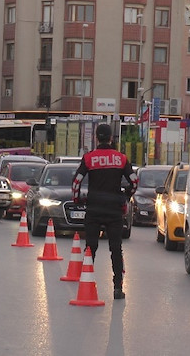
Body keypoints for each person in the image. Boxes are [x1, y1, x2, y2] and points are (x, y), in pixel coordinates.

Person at [72, 124, 138, 300]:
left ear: (96, 138)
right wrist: (125, 196)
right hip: (114, 210)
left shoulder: (89, 158)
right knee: (116, 249)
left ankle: (86, 281)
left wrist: (78, 200)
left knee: (90, 248)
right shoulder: (121, 159)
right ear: (111, 138)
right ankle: (117, 287)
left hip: (93, 208)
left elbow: (76, 182)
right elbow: (134, 181)